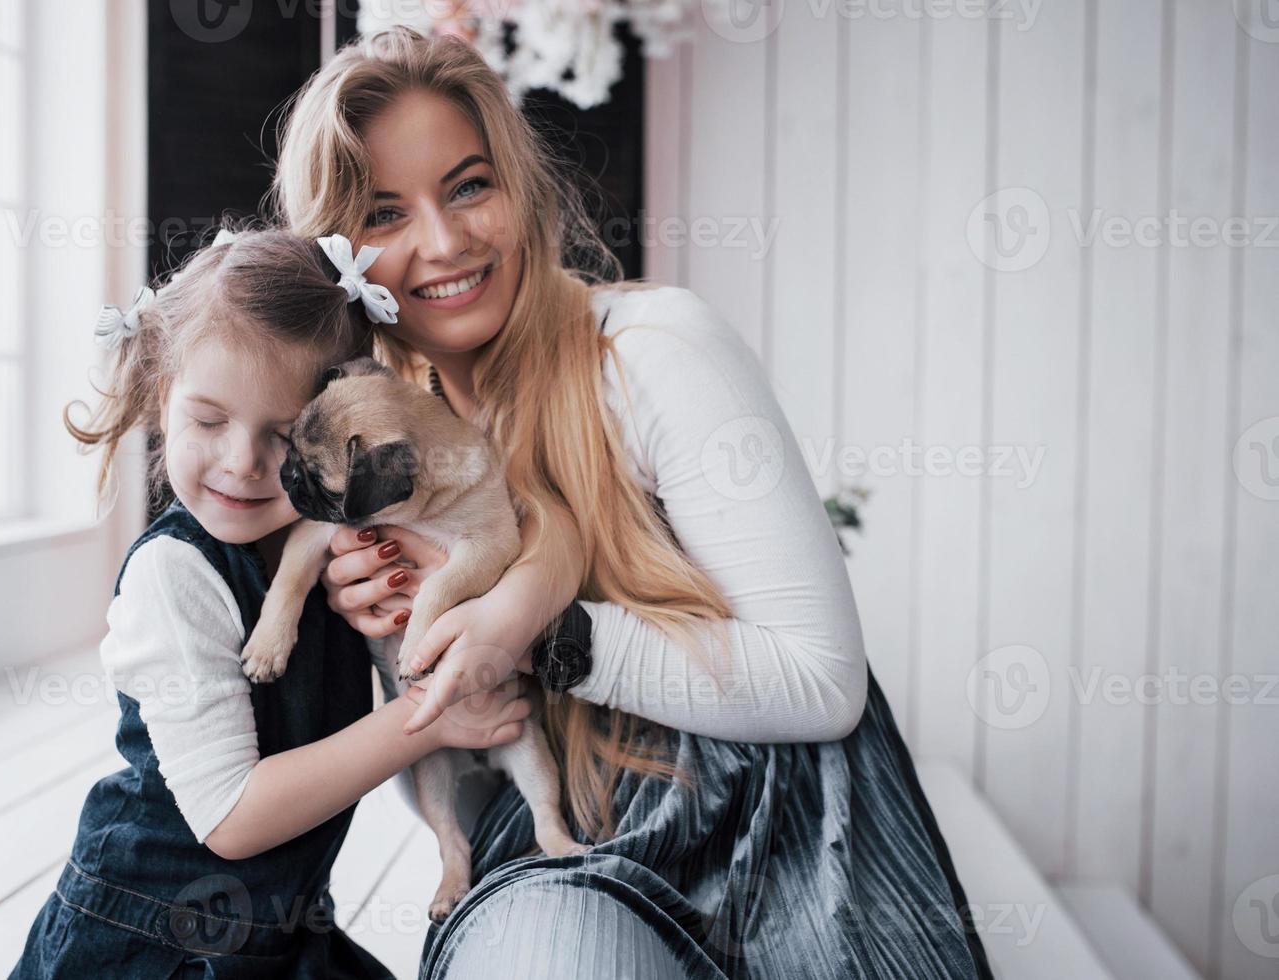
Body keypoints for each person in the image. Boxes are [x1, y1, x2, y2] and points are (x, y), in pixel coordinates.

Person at [269, 27, 994, 978]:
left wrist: (533, 628)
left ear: (520, 187)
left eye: (469, 185)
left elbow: (823, 681)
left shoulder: (651, 352)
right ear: (340, 248)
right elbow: (452, 751)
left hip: (769, 837)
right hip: (558, 844)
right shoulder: (369, 438)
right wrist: (399, 644)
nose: (443, 242)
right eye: (386, 211)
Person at [9, 228, 530, 978]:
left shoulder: (337, 545)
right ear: (164, 397)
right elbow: (231, 817)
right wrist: (428, 719)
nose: (243, 462)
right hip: (155, 945)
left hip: (280, 934)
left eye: (284, 435)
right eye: (209, 420)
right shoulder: (174, 576)